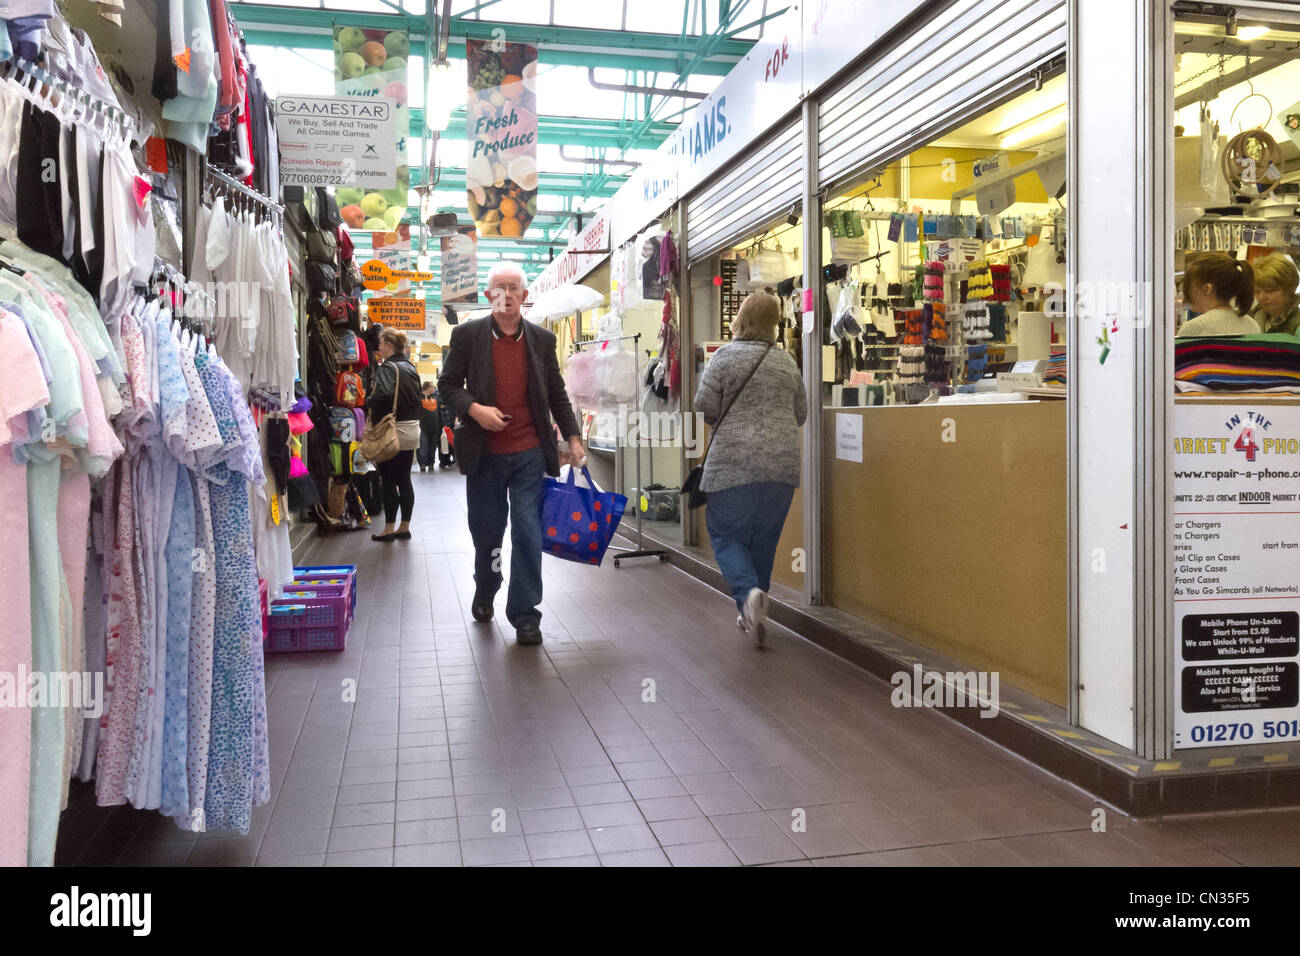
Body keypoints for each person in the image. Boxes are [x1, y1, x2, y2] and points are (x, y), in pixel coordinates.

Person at [437, 262, 584, 645]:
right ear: (489, 297)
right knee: (487, 535)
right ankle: (486, 585)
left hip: (529, 453)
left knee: (528, 532)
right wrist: (475, 410)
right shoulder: (467, 336)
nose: (506, 293)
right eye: (499, 287)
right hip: (484, 455)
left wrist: (572, 435)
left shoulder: (541, 340)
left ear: (523, 296)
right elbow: (448, 385)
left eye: (513, 287)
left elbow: (555, 393)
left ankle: (524, 614)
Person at [694, 293, 806, 647]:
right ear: (775, 323)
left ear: (741, 318)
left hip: (734, 464)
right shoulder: (786, 362)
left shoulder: (725, 357)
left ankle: (748, 595)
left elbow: (704, 405)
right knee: (764, 539)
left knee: (726, 534)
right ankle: (753, 608)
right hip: (781, 466)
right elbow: (800, 413)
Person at [367, 327, 422, 541]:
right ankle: (404, 526)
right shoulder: (410, 366)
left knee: (388, 479)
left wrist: (368, 400)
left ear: (389, 345)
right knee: (404, 479)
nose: (379, 348)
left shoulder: (388, 368)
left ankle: (389, 528)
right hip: (411, 429)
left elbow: (384, 395)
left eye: (381, 344)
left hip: (393, 430)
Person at [1177, 253, 1260, 337]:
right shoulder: (1252, 325)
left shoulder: (1194, 328)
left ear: (1206, 289)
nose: (1185, 292)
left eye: (1188, 286)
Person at [1250, 253, 1300, 335]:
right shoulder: (1249, 320)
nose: (1261, 297)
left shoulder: (1297, 325)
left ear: (1289, 289)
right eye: (1257, 291)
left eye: (1270, 291)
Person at [416, 381, 440, 472]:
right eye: (433, 387)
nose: (434, 388)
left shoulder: (435, 397)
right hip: (422, 427)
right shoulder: (419, 398)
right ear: (428, 388)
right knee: (423, 446)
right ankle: (422, 464)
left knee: (433, 447)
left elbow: (438, 413)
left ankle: (431, 463)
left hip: (435, 427)